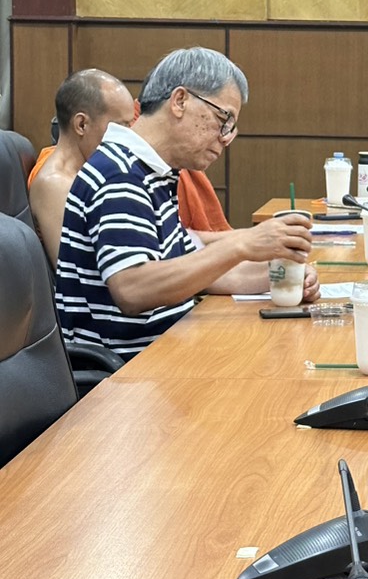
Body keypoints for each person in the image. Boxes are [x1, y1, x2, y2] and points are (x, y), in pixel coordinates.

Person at [54, 47, 319, 359]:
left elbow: (202, 273)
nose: (225, 138)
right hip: (129, 373)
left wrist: (282, 276)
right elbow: (133, 289)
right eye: (224, 119)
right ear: (180, 101)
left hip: (167, 353)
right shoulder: (119, 174)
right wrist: (241, 244)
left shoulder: (154, 172)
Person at [29, 69, 136, 266]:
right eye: (121, 126)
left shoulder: (93, 170)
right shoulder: (56, 184)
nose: (129, 136)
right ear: (81, 124)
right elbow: (74, 268)